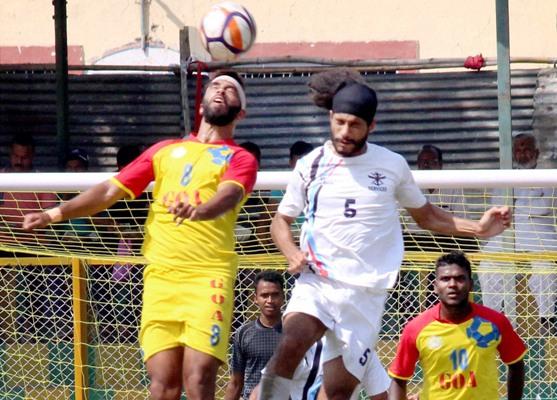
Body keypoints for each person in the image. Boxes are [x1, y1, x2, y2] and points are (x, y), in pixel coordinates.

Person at [259, 69, 511, 400]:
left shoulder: (391, 165)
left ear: (371, 126)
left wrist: (477, 228)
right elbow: (280, 221)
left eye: (355, 125)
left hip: (366, 293)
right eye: (340, 122)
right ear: (331, 117)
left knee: (337, 392)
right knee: (289, 345)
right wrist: (292, 252)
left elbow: (427, 216)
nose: (345, 132)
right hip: (317, 281)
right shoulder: (311, 164)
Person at [22, 70, 259, 400]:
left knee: (198, 378)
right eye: (215, 85)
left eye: (231, 90)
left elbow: (229, 196)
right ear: (201, 104)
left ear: (241, 111)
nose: (221, 90)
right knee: (163, 385)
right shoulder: (165, 150)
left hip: (208, 278)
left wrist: (200, 211)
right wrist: (54, 213)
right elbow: (109, 190)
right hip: (160, 278)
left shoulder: (240, 157)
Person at [388, 251, 526, 400]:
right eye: (445, 279)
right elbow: (399, 378)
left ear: (471, 284)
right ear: (435, 286)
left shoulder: (495, 322)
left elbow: (516, 365)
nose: (452, 284)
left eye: (460, 278)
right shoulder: (416, 328)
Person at [479, 132, 557, 334]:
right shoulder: (503, 177)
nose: (523, 153)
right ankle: (492, 319)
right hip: (507, 232)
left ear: (537, 153)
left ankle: (546, 320)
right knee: (486, 266)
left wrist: (515, 205)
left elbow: (545, 206)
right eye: (518, 149)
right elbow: (497, 206)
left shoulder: (548, 176)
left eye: (527, 148)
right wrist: (528, 204)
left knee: (544, 267)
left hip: (538, 236)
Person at [0, 134, 58, 342]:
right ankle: (7, 338)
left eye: (24, 157)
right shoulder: (1, 178)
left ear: (32, 156)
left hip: (35, 249)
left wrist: (14, 227)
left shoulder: (42, 181)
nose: (19, 161)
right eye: (16, 155)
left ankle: (36, 338)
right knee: (5, 298)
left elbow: (49, 216)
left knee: (36, 299)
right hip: (4, 249)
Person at [225, 271, 285, 400]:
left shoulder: (296, 331)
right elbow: (235, 382)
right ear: (255, 298)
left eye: (275, 295)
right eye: (264, 295)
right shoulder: (243, 333)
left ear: (283, 297)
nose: (270, 300)